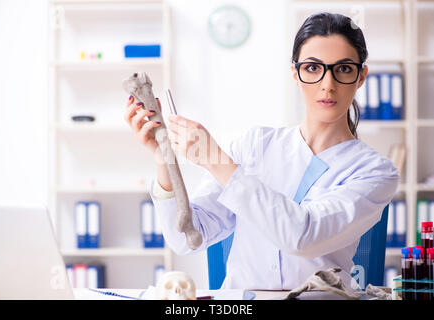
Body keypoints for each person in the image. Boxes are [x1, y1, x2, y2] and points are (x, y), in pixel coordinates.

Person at [124, 12, 399, 290]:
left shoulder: (376, 172)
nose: (327, 84)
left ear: (361, 76)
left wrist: (216, 161)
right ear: (295, 73)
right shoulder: (255, 145)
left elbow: (303, 236)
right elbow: (187, 237)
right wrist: (164, 159)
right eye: (313, 68)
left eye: (343, 68)